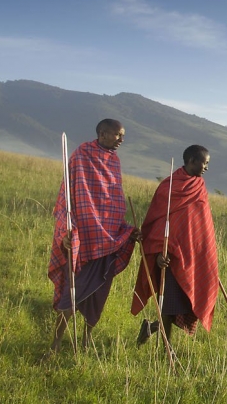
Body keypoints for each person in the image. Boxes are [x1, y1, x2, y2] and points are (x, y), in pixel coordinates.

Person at [48, 118, 139, 353]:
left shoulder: (114, 162)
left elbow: (114, 201)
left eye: (122, 135)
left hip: (108, 239)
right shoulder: (81, 156)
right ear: (102, 133)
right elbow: (69, 197)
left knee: (99, 293)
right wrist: (68, 231)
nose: (121, 139)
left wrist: (126, 232)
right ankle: (56, 342)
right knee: (73, 292)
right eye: (117, 134)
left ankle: (87, 338)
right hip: (84, 238)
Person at [132, 145, 219, 348]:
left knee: (182, 303)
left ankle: (151, 328)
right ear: (190, 161)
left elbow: (201, 225)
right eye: (203, 163)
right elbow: (156, 223)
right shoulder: (169, 187)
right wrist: (157, 254)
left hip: (191, 256)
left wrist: (204, 254)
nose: (206, 167)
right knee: (169, 303)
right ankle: (166, 347)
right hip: (169, 257)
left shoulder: (199, 187)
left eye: (207, 163)